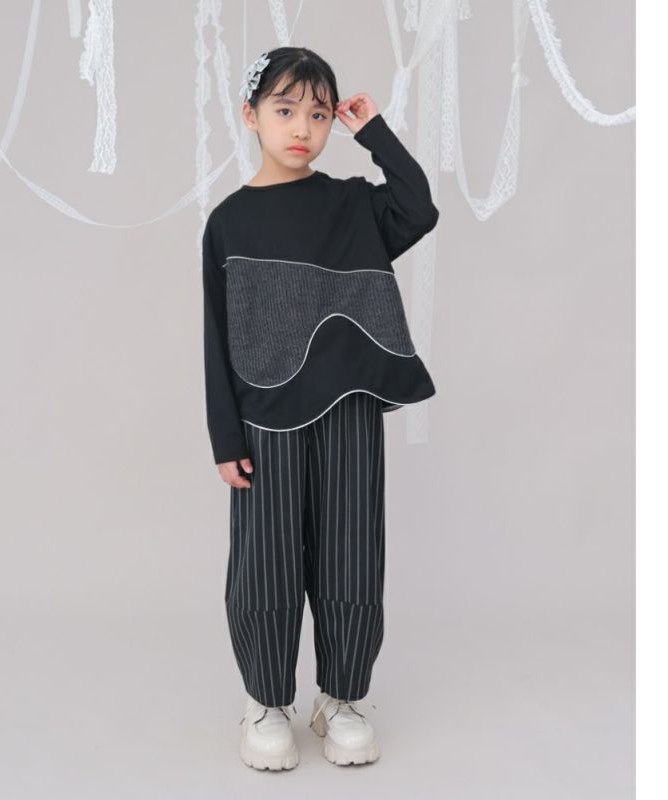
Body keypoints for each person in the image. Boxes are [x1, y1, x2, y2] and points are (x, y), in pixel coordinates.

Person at [201, 45, 439, 770]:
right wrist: (225, 437)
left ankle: (341, 698)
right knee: (265, 564)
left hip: (348, 407)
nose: (302, 127)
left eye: (319, 113)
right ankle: (267, 702)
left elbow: (418, 207)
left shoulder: (353, 205)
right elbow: (215, 334)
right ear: (251, 117)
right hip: (264, 414)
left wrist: (375, 132)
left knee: (351, 556)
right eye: (284, 110)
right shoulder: (229, 222)